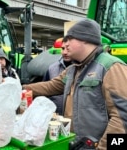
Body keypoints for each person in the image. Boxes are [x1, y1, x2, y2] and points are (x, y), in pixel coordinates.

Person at [23, 19, 127, 150]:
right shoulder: (73, 69)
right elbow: (50, 86)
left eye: (69, 40)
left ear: (84, 39)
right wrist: (20, 88)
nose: (65, 44)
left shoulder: (111, 67)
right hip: (76, 145)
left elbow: (123, 117)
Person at [43, 39, 72, 115]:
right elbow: (45, 90)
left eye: (68, 49)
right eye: (63, 49)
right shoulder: (52, 68)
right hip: (55, 118)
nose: (65, 52)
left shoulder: (83, 69)